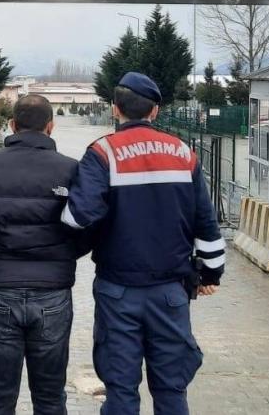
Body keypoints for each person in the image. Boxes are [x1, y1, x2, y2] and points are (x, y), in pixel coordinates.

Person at [62, 72, 225, 415]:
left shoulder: (103, 153)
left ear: (115, 109)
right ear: (155, 111)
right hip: (171, 293)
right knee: (171, 389)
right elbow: (207, 223)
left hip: (117, 292)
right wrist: (211, 274)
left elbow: (78, 217)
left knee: (121, 390)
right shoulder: (184, 153)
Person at [0, 94, 81, 415]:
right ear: (50, 126)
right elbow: (88, 227)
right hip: (53, 293)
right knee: (51, 397)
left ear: (12, 125)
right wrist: (64, 253)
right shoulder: (72, 171)